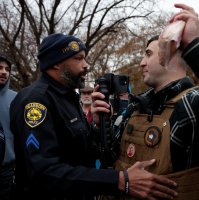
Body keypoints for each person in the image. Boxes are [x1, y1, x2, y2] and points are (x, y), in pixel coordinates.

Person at [10, 33, 177, 200]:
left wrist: (97, 126)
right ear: (56, 64)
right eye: (78, 58)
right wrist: (119, 180)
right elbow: (42, 173)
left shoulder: (68, 98)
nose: (86, 65)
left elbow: (82, 153)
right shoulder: (36, 101)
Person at [91, 5, 199, 198]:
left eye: (148, 54)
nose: (141, 62)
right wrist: (100, 126)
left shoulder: (191, 102)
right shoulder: (135, 106)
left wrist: (194, 45)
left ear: (170, 53)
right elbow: (106, 157)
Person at [0, 55, 17, 200]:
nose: (4, 72)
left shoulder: (16, 99)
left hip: (7, 170)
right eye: (0, 68)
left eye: (7, 69)